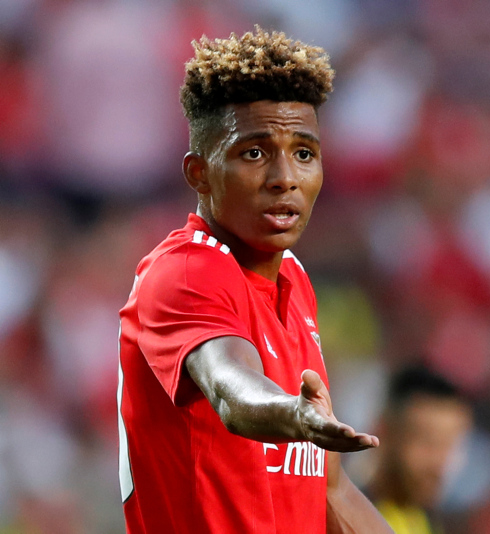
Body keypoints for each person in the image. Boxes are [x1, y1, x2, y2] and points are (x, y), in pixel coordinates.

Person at [117, 27, 394, 533]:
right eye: (254, 153)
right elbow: (230, 388)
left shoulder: (294, 279)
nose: (284, 177)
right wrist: (292, 415)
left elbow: (331, 491)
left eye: (304, 153)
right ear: (199, 173)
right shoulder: (186, 271)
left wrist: (303, 424)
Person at [369, 365, 473, 534]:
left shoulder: (427, 521)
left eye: (449, 445)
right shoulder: (349, 519)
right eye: (428, 442)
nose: (439, 463)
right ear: (384, 433)